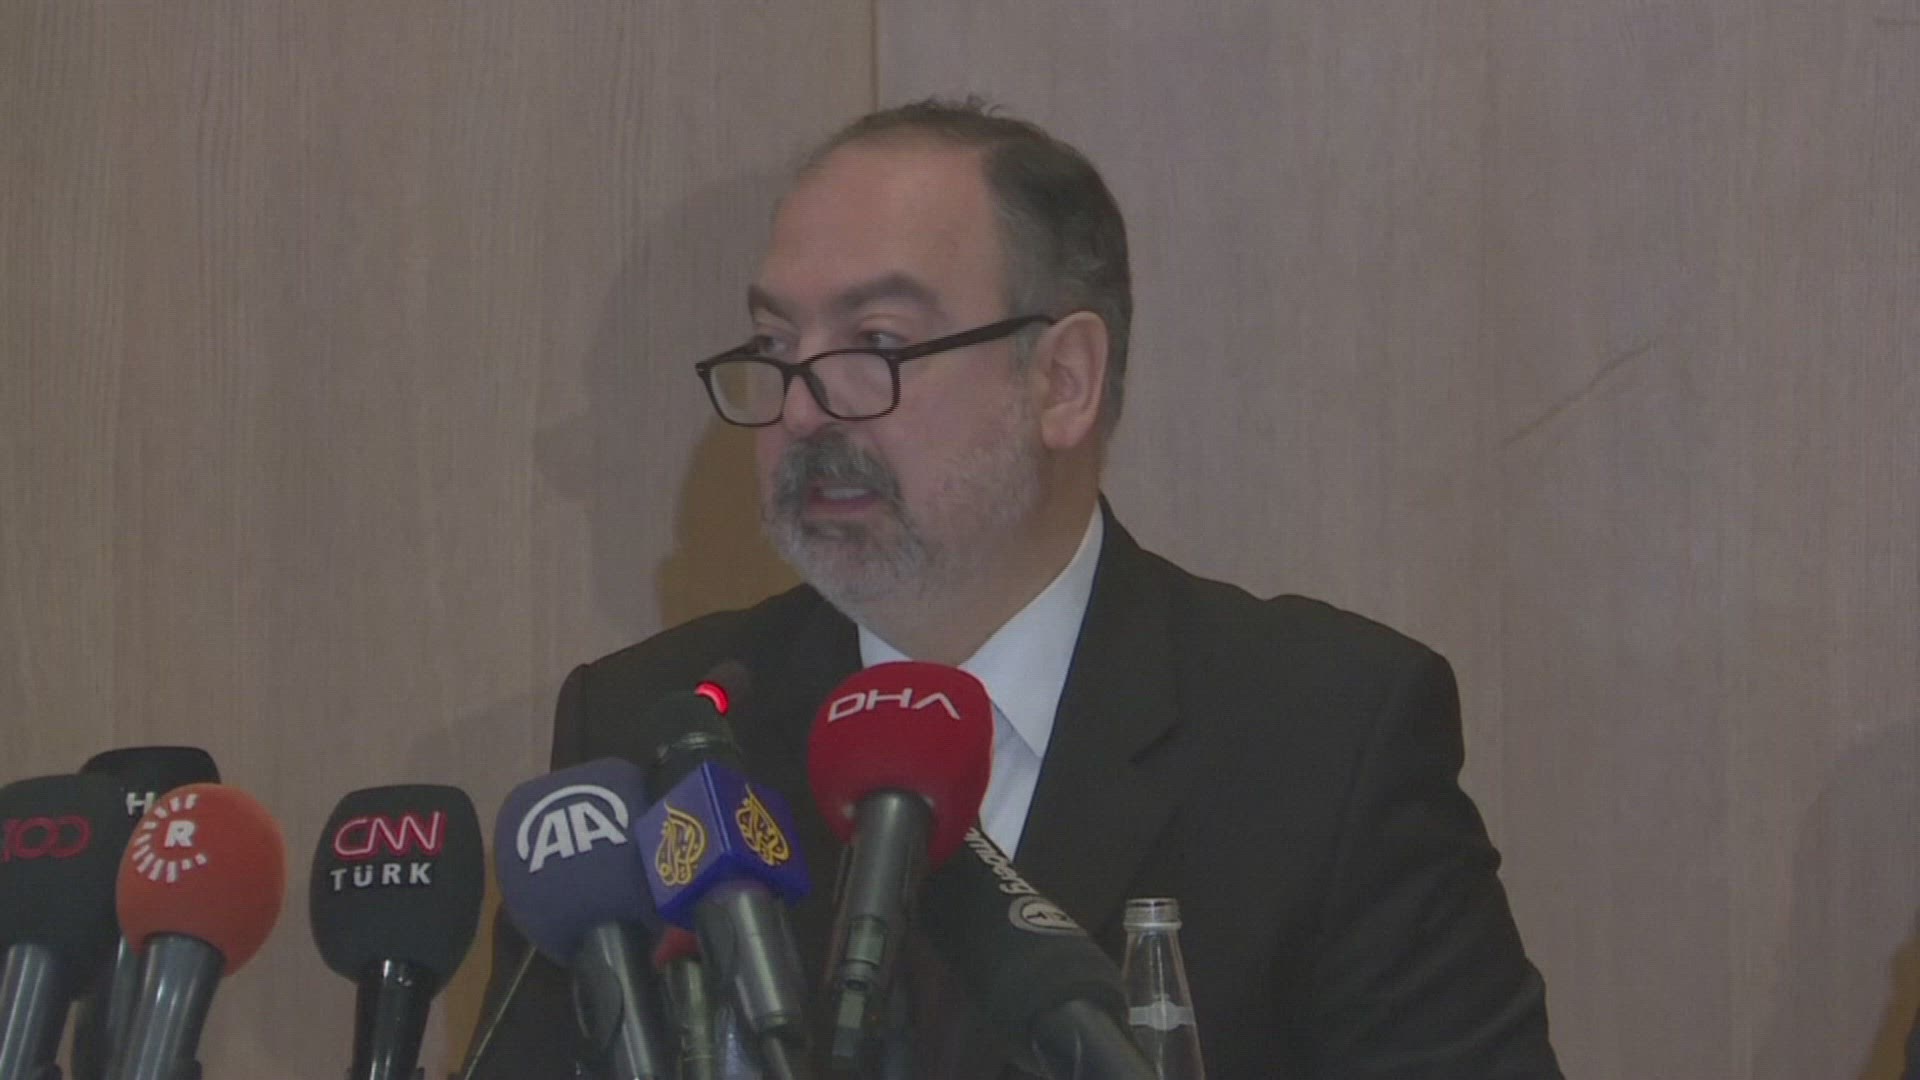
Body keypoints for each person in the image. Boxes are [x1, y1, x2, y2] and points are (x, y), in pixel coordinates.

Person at [465, 98, 1562, 1079]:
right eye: (776, 342)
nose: (801, 409)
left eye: (876, 342)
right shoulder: (650, 736)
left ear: (1062, 381)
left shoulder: (1322, 736)